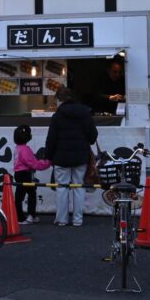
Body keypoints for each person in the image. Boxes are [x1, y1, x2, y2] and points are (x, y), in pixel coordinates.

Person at [44, 88, 98, 227]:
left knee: (62, 188)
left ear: (59, 100)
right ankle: (78, 219)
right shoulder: (85, 113)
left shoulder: (57, 116)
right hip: (81, 156)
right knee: (79, 187)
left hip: (61, 157)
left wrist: (49, 156)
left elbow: (51, 139)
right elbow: (93, 136)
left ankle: (62, 219)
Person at [13, 125, 51, 225]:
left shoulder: (18, 148)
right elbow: (34, 164)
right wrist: (48, 163)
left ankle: (29, 215)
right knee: (27, 195)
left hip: (19, 174)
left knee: (23, 195)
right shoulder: (25, 149)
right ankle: (22, 218)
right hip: (24, 174)